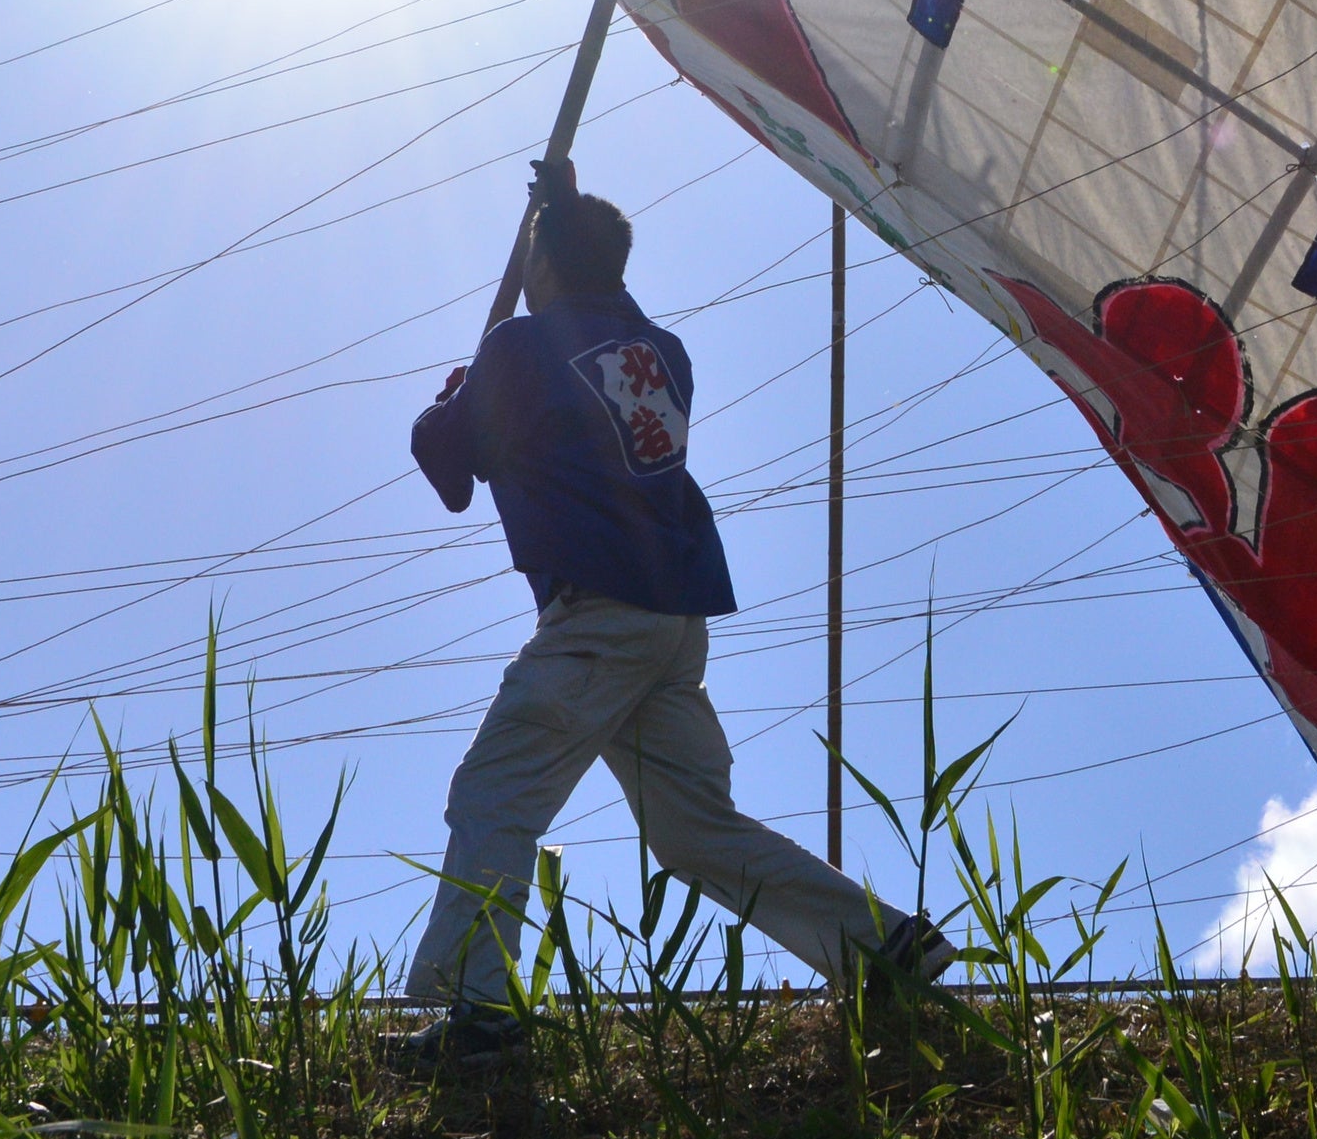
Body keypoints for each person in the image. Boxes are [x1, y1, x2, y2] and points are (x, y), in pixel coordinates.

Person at [390, 167, 951, 1066]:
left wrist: (451, 397)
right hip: (671, 620)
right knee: (695, 830)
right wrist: (562, 219)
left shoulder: (519, 349)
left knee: (494, 796)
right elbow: (606, 310)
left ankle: (477, 1017)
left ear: (542, 267)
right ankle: (880, 947)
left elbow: (448, 468)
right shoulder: (663, 354)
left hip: (596, 619)